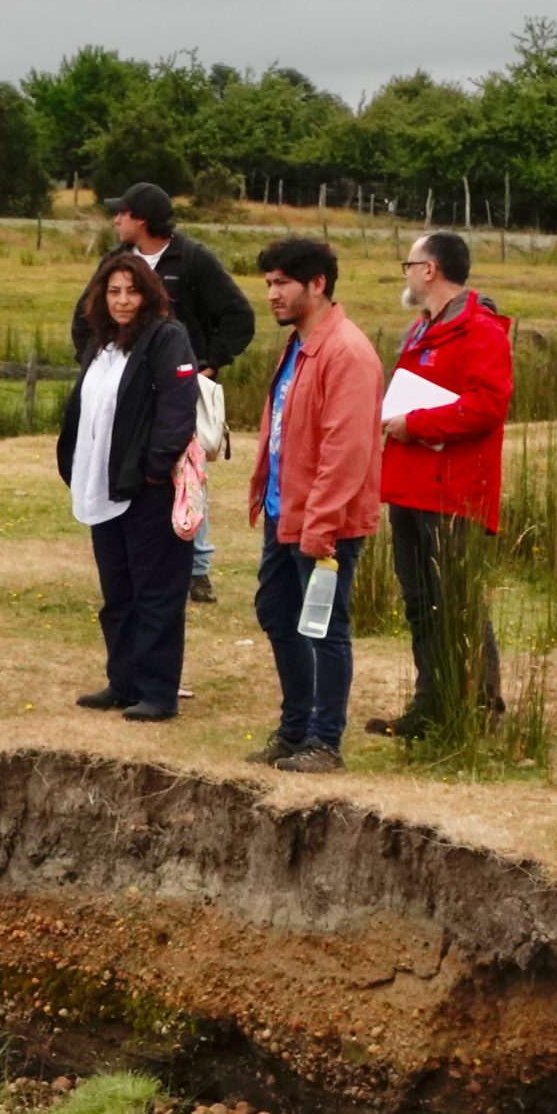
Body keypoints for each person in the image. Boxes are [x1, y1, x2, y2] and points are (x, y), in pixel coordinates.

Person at [70, 182, 255, 605]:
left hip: (178, 389)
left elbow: (238, 316)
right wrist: (96, 365)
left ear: (143, 219)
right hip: (126, 395)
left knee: (185, 472)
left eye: (122, 213)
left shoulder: (192, 259)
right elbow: (84, 318)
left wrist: (207, 364)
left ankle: (196, 567)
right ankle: (133, 558)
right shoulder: (116, 262)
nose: (115, 219)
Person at [245, 237, 383, 774]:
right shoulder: (298, 345)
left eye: (282, 283)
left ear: (317, 284)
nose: (272, 295)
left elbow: (345, 451)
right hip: (285, 513)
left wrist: (321, 524)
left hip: (324, 522)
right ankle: (294, 729)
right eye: (269, 284)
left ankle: (325, 742)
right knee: (276, 613)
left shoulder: (346, 352)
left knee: (324, 626)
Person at [375, 230, 512, 739]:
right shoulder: (422, 330)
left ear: (429, 270)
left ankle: (481, 709)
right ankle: (430, 706)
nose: (407, 275)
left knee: (458, 602)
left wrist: (416, 424)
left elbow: (488, 405)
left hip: (454, 493)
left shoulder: (481, 331)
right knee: (421, 604)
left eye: (409, 265)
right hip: (409, 486)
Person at [57, 254, 201, 722]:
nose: (122, 301)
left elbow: (177, 409)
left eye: (132, 291)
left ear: (149, 294)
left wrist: (153, 471)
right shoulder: (102, 343)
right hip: (103, 486)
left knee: (155, 593)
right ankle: (123, 682)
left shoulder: (167, 337)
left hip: (147, 490)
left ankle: (158, 692)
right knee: (117, 591)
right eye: (113, 291)